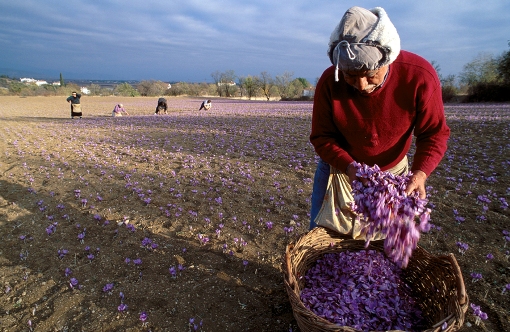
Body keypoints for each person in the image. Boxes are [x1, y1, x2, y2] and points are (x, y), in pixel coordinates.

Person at [309, 6, 450, 238]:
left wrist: (421, 173)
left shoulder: (419, 76)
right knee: (323, 236)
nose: (361, 84)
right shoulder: (328, 82)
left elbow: (434, 133)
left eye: (370, 73)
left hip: (393, 175)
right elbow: (322, 137)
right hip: (340, 170)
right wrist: (350, 167)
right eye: (350, 76)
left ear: (389, 58)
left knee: (384, 242)